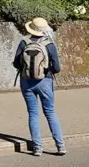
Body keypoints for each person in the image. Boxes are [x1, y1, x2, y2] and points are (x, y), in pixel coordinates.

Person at [12, 17, 66, 156]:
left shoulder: (24, 43)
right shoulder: (49, 44)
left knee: (33, 114)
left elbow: (16, 63)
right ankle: (60, 146)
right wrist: (45, 70)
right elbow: (57, 68)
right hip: (45, 81)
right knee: (50, 112)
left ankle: (37, 147)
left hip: (27, 82)